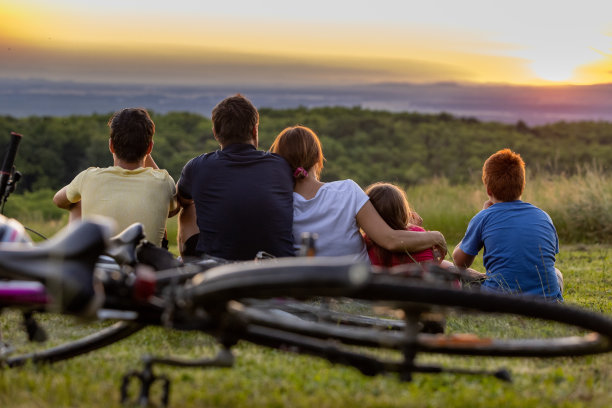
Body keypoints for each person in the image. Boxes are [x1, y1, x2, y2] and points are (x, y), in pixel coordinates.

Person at [269, 125, 446, 262]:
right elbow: (390, 240)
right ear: (317, 158)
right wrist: (436, 236)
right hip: (356, 287)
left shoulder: (276, 203)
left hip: (307, 287)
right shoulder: (347, 190)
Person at [176, 94, 294, 260]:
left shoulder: (197, 167)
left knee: (189, 209)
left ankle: (190, 265)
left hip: (217, 270)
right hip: (275, 270)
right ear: (255, 130)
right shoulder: (281, 165)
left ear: (215, 133)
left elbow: (182, 200)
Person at [53, 108, 178, 247]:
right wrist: (143, 149)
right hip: (146, 263)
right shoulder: (164, 181)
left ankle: (76, 255)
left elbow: (58, 200)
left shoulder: (88, 177)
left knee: (76, 200)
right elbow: (173, 211)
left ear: (111, 145)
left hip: (98, 264)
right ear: (150, 148)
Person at [452, 148, 563, 301]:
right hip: (546, 303)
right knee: (557, 273)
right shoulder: (544, 216)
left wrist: (479, 219)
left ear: (488, 189)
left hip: (500, 301)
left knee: (452, 272)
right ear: (522, 186)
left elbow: (459, 262)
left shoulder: (484, 217)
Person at [362, 182, 435, 266]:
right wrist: (414, 230)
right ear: (403, 211)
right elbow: (433, 262)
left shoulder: (366, 242)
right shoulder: (422, 235)